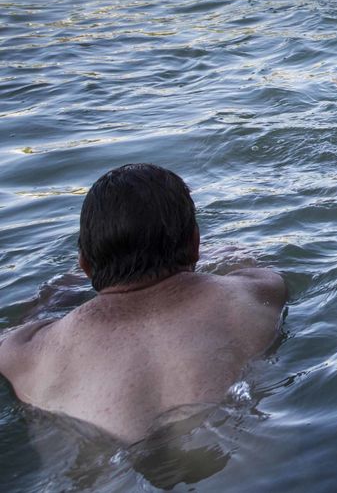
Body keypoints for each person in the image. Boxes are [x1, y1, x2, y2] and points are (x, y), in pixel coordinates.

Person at [0, 164, 286, 444]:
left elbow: (29, 320)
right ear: (196, 244)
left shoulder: (23, 353)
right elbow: (242, 259)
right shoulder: (257, 292)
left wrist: (64, 287)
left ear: (85, 265)